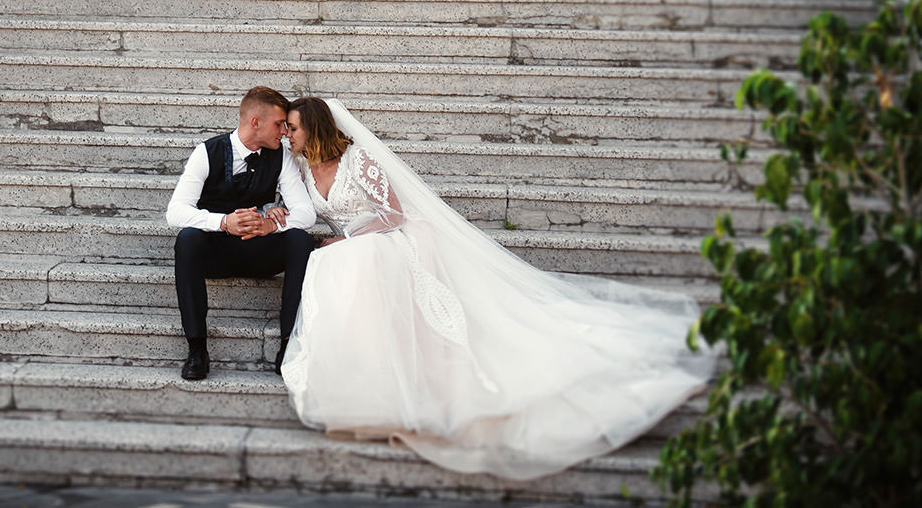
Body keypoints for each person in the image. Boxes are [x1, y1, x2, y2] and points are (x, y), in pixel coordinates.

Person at [277, 96, 715, 481]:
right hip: (353, 244)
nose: (287, 135)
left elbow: (393, 214)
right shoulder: (301, 169)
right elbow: (299, 212)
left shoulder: (358, 161)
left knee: (350, 259)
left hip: (392, 239)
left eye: (292, 127)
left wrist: (349, 238)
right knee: (333, 261)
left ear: (312, 127)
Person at [165, 85, 316, 381]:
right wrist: (224, 223)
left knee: (300, 239)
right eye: (279, 124)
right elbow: (175, 212)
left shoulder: (281, 157)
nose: (285, 132)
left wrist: (272, 224)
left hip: (259, 251)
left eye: (288, 126)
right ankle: (197, 350)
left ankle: (288, 346)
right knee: (187, 239)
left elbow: (306, 212)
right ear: (255, 122)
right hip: (216, 252)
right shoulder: (207, 152)